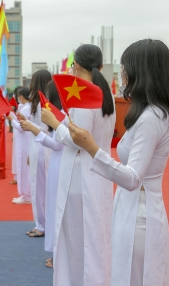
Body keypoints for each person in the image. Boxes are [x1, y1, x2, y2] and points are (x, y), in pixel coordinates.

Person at [65, 39, 169, 285]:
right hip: (131, 207)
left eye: (126, 67)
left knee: (133, 276)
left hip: (140, 212)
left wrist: (91, 146)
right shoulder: (150, 112)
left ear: (142, 72)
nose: (123, 74)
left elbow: (132, 177)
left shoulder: (152, 117)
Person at [41, 44, 116, 286]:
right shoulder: (107, 94)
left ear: (77, 66)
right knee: (96, 238)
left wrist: (54, 122)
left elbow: (77, 138)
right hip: (99, 174)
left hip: (79, 177)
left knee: (77, 241)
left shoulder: (84, 97)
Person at [19, 80, 64, 269]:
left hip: (53, 153)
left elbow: (59, 142)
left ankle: (58, 251)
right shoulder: (40, 107)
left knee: (53, 201)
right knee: (49, 197)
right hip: (48, 150)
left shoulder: (56, 113)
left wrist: (34, 128)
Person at [23, 70, 52, 238]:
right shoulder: (39, 103)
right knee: (40, 187)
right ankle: (41, 223)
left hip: (42, 145)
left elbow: (46, 128)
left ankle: (42, 225)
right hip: (38, 145)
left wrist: (28, 125)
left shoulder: (42, 104)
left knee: (39, 187)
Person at [6, 87, 31, 204]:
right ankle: (25, 194)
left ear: (21, 96)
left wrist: (11, 118)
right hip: (26, 140)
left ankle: (25, 195)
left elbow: (21, 127)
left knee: (23, 167)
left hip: (25, 140)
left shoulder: (27, 108)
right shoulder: (28, 107)